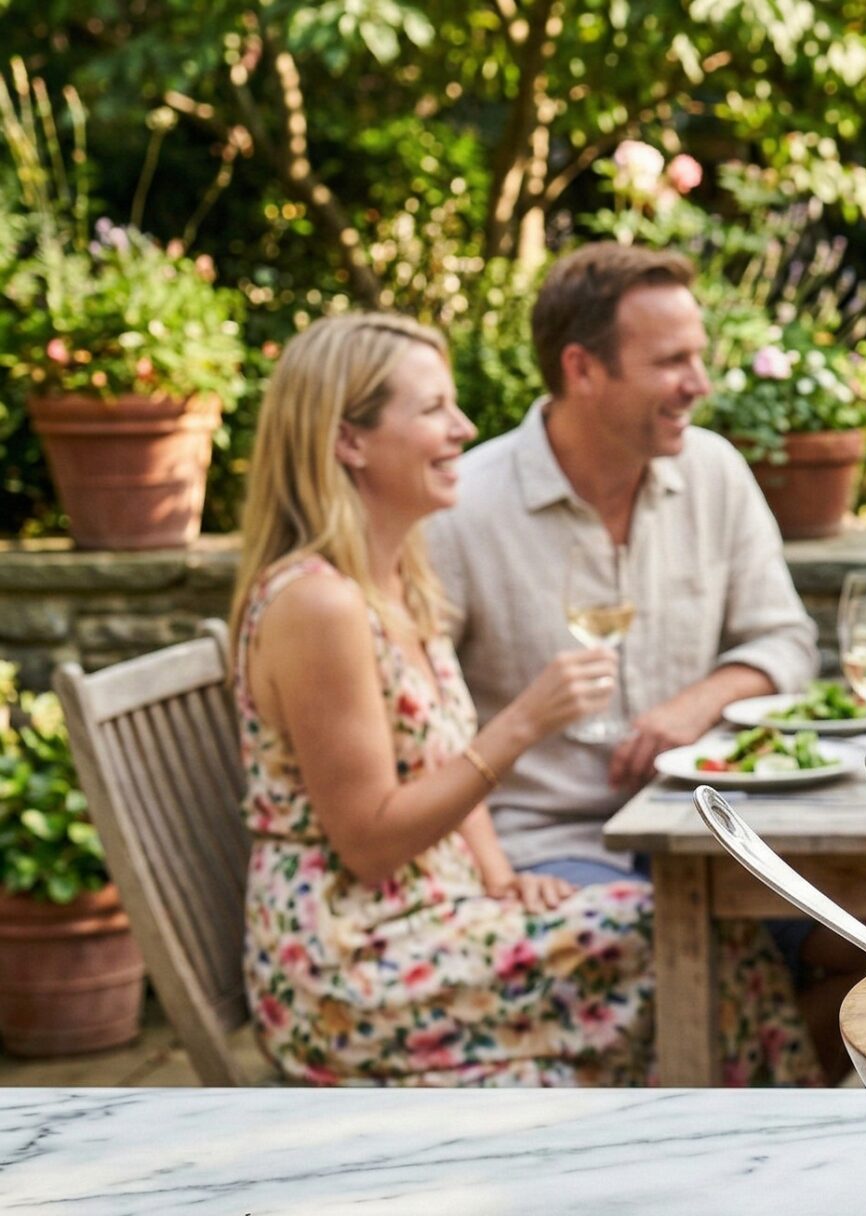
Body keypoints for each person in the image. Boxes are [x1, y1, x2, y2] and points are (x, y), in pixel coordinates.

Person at [229, 314, 804, 1086]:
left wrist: (500, 876)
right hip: (354, 959)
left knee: (698, 936)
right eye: (432, 409)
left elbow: (436, 763)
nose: (462, 428)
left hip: (448, 912)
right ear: (349, 441)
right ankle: (761, 1162)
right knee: (683, 940)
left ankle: (744, 1158)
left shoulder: (401, 581)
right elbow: (368, 842)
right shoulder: (319, 607)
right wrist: (525, 722)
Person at [427, 243, 822, 1085]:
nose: (700, 383)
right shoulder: (462, 508)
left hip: (713, 829)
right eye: (672, 361)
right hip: (555, 845)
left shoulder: (713, 472)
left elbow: (784, 642)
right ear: (582, 369)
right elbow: (427, 724)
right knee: (712, 950)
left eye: (699, 357)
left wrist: (695, 705)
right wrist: (495, 872)